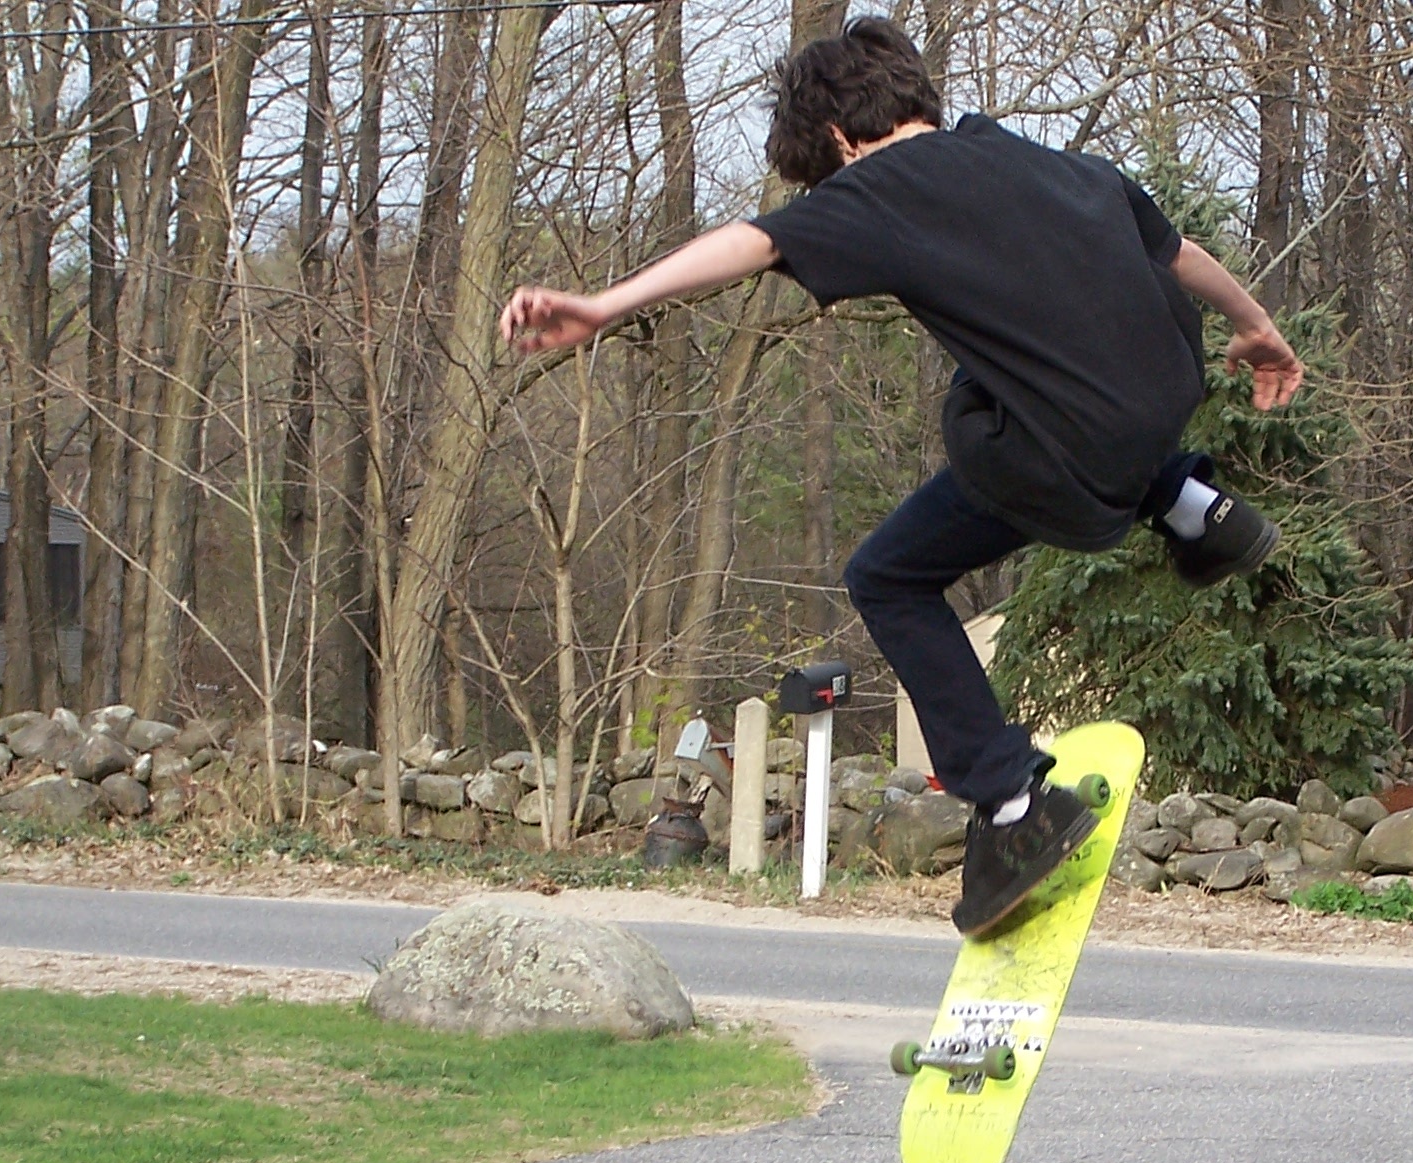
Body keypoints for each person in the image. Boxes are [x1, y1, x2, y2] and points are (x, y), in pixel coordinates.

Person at [501, 14, 1303, 936]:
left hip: (1059, 448)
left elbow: (752, 243)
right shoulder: (1040, 160)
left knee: (886, 573)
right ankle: (1193, 504)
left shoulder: (878, 183)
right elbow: (1176, 254)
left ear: (841, 139)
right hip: (1164, 391)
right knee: (1014, 343)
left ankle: (1009, 804)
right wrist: (1258, 325)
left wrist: (605, 303)